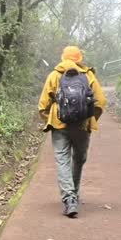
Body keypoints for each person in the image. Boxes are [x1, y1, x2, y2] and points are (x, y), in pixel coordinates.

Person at [38, 45, 106, 218]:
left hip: (59, 125)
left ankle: (69, 199)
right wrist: (90, 119)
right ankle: (73, 193)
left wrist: (51, 119)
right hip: (82, 126)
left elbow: (42, 105)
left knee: (62, 160)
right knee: (79, 159)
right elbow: (100, 102)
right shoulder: (88, 75)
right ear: (79, 59)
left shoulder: (54, 75)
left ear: (63, 58)